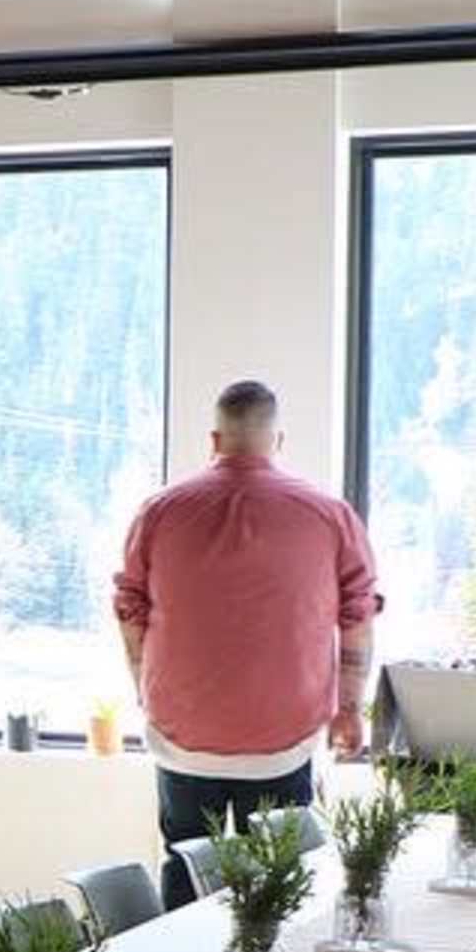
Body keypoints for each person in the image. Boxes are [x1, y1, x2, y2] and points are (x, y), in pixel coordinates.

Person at [110, 380, 380, 905]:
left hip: (184, 732)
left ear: (215, 439)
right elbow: (358, 618)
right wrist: (350, 709)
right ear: (277, 440)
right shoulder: (331, 517)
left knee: (186, 865)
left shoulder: (160, 513)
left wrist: (144, 687)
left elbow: (129, 611)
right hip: (285, 734)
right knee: (280, 879)